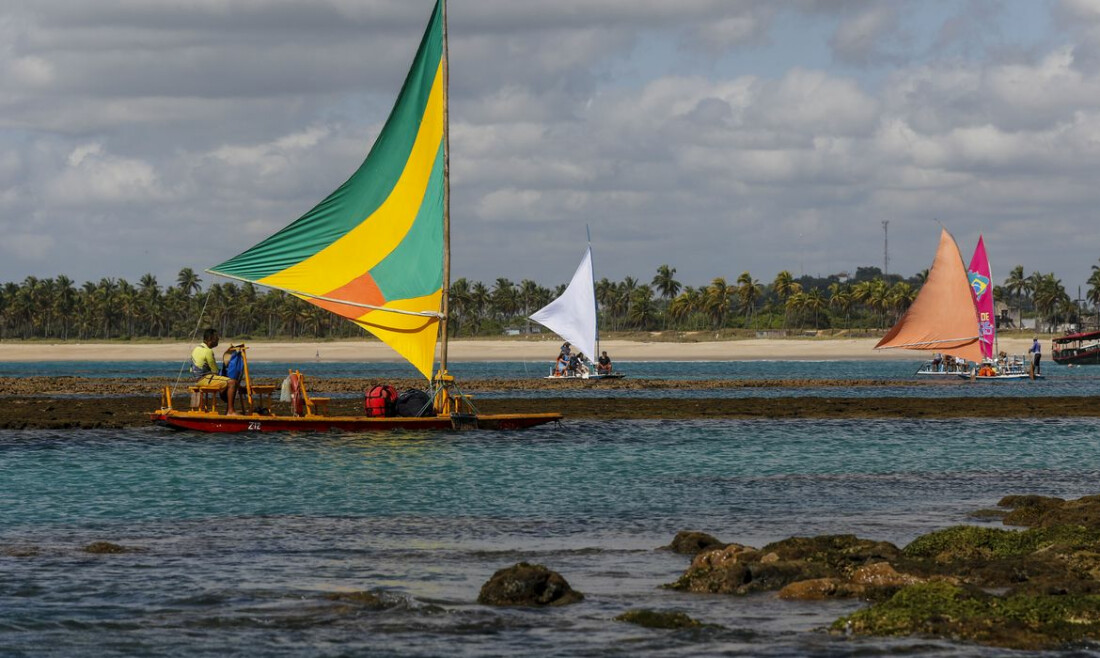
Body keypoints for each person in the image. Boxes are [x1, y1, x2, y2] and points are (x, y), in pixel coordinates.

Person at [191, 327, 238, 414]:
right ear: (210, 339)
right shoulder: (208, 351)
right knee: (232, 382)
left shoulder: (196, 348)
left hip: (198, 379)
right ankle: (230, 411)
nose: (218, 340)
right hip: (204, 379)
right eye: (216, 338)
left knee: (227, 382)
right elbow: (215, 370)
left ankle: (228, 408)